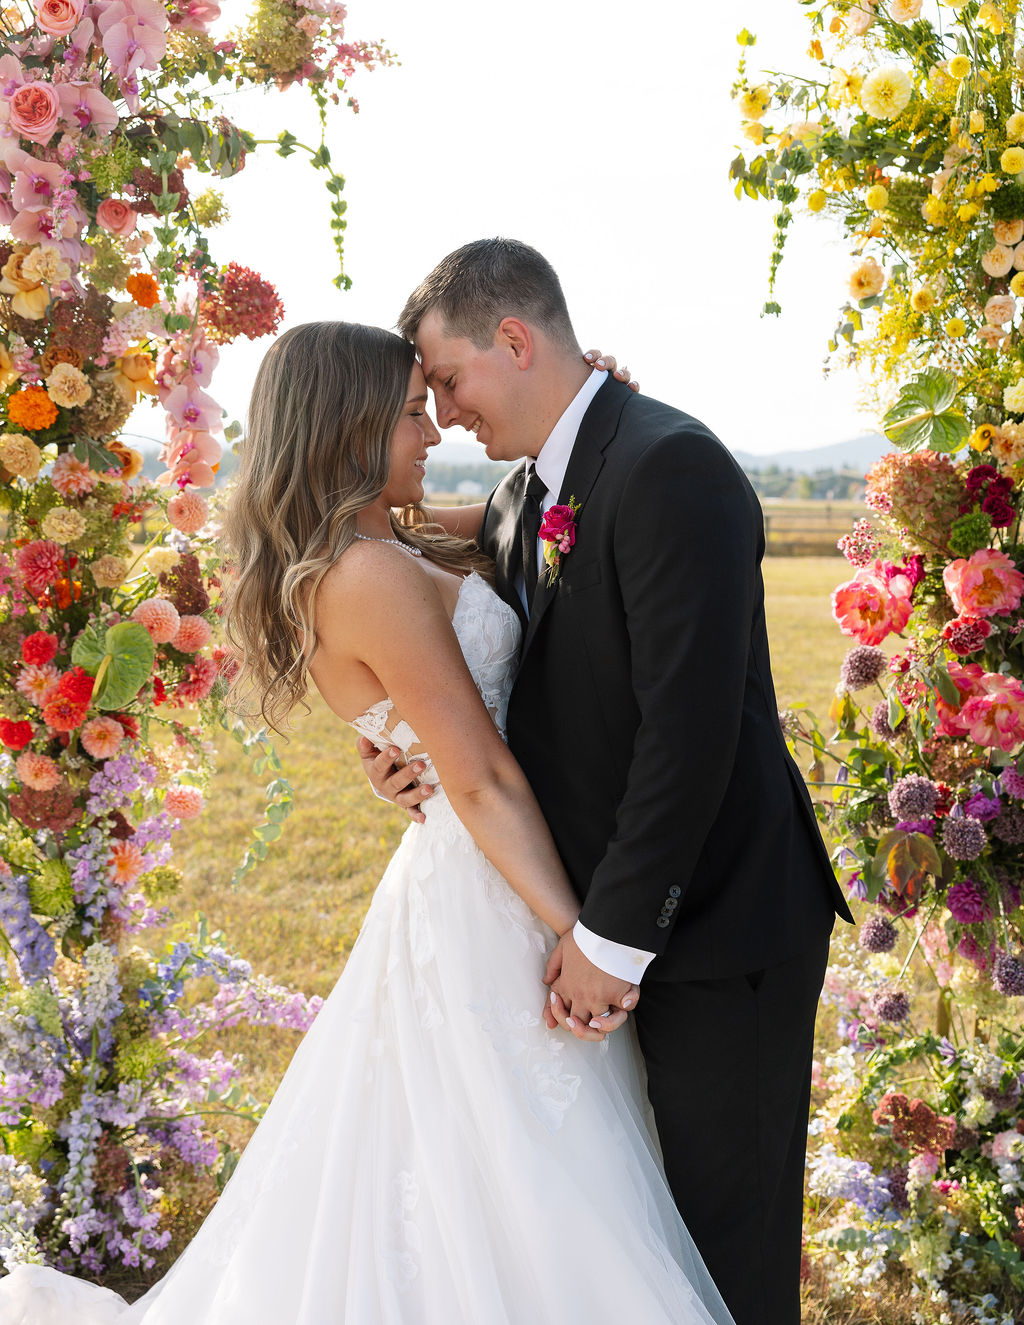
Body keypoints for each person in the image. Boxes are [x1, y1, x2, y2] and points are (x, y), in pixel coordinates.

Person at [0, 320, 735, 1325]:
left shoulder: (390, 539)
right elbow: (476, 779)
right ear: (346, 428)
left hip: (478, 866)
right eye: (407, 412)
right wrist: (580, 934)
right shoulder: (366, 576)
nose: (432, 429)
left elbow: (543, 516)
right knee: (508, 1162)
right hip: (490, 883)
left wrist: (586, 420)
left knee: (497, 1154)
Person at [362, 238, 856, 1325]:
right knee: (641, 1240)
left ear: (516, 338)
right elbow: (510, 682)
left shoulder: (670, 466)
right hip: (599, 925)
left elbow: (691, 734)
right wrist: (405, 745)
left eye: (446, 379)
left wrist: (608, 940)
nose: (441, 413)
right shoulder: (518, 496)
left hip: (717, 930)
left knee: (721, 1244)